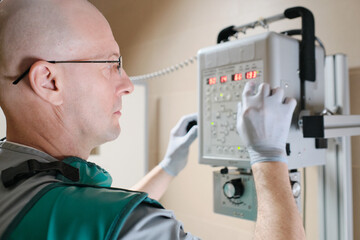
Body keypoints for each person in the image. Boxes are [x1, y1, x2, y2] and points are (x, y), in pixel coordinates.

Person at [0, 0, 305, 239]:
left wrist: (167, 167)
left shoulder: (14, 178)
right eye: (112, 64)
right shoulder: (111, 222)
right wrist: (268, 156)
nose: (127, 84)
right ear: (49, 81)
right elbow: (109, 221)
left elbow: (92, 218)